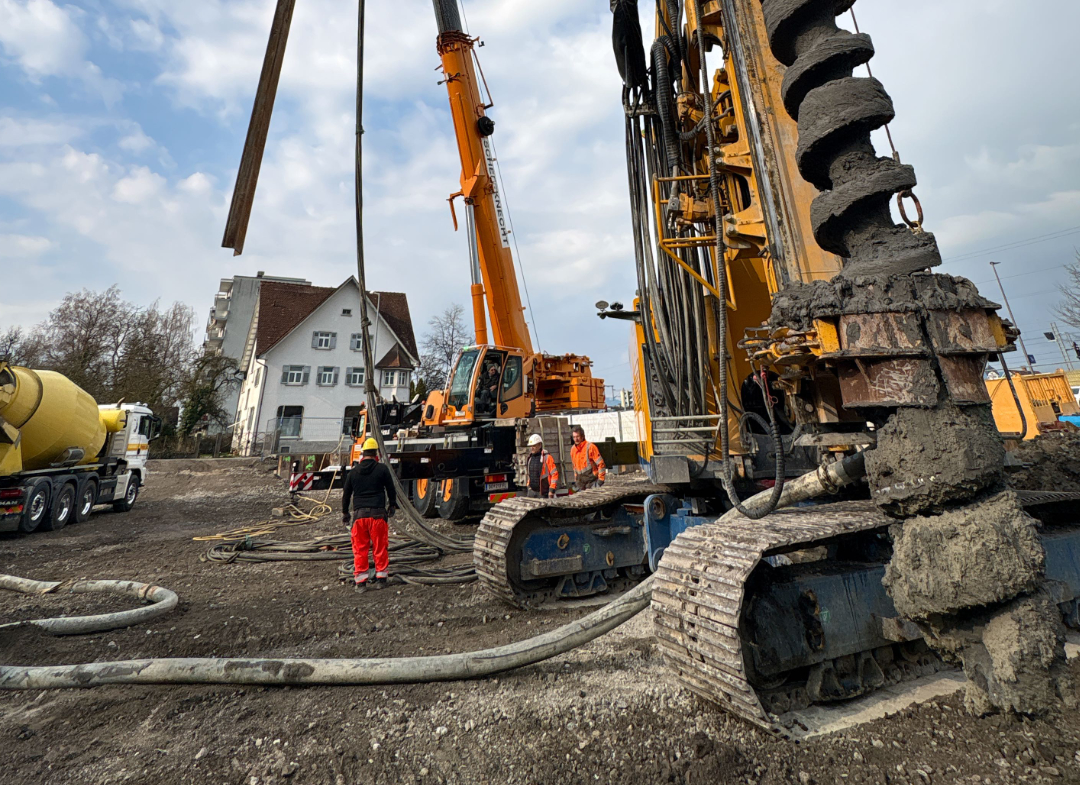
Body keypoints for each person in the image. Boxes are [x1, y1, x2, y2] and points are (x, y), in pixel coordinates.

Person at [342, 437, 397, 593]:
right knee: (380, 548)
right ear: (376, 454)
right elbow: (391, 489)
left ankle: (361, 583)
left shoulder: (353, 473)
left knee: (360, 550)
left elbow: (346, 495)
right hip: (378, 516)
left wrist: (345, 512)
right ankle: (381, 580)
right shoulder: (382, 469)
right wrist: (392, 505)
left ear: (362, 454)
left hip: (359, 518)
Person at [570, 425, 607, 491]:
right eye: (574, 437)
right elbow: (574, 467)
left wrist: (600, 480)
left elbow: (601, 464)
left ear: (582, 436)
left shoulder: (590, 447)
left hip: (592, 483)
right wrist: (576, 480)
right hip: (580, 485)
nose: (576, 439)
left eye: (577, 436)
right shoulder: (573, 449)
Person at [524, 433, 559, 499]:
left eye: (534, 445)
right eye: (531, 446)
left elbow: (555, 474)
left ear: (540, 445)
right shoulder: (530, 458)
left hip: (543, 493)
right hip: (531, 492)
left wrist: (551, 490)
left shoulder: (547, 457)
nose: (532, 448)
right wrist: (528, 486)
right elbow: (529, 474)